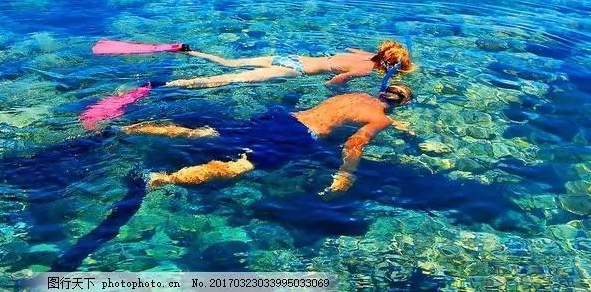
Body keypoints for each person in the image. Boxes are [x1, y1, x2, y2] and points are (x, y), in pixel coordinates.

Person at [123, 83, 413, 193]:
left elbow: (335, 88)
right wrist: (345, 174)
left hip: (284, 118)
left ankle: (130, 129)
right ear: (401, 105)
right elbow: (354, 144)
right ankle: (163, 179)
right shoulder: (381, 119)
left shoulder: (354, 95)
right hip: (299, 136)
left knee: (205, 133)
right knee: (241, 165)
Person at [167, 40, 413, 89]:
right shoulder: (367, 69)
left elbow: (350, 50)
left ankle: (190, 51)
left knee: (230, 64)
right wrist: (330, 88)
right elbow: (336, 80)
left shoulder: (366, 56)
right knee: (230, 79)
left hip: (292, 57)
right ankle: (168, 85)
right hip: (295, 69)